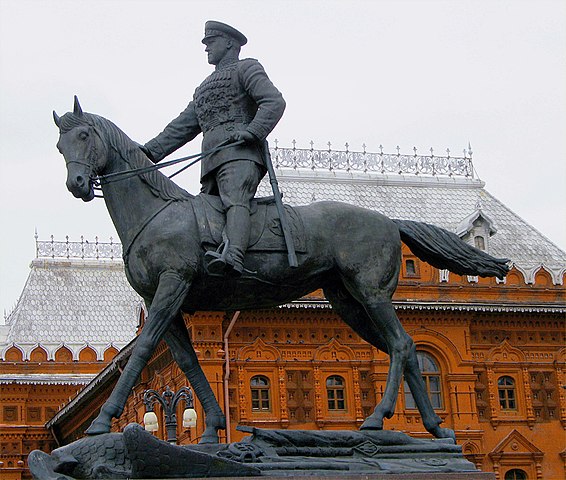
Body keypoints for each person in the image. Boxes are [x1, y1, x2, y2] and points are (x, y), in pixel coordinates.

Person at [142, 21, 286, 276]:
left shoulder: (247, 68)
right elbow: (181, 127)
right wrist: (148, 152)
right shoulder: (203, 89)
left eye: (211, 42)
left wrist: (252, 132)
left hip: (240, 155)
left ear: (229, 43)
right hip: (211, 162)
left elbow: (274, 102)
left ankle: (235, 257)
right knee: (206, 211)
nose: (206, 48)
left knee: (235, 199)